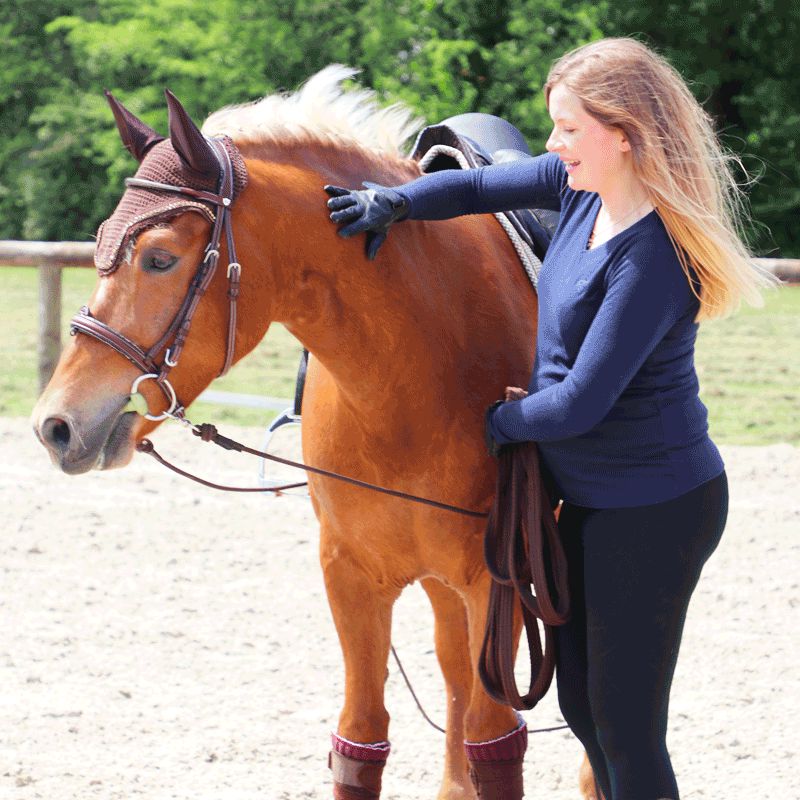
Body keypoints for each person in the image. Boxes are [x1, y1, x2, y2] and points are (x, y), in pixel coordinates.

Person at [325, 37, 771, 800]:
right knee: (581, 708)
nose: (554, 143)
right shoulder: (578, 191)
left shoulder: (654, 256)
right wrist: (393, 202)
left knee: (625, 729)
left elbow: (579, 402)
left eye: (567, 128)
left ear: (623, 134)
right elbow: (472, 189)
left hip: (655, 510)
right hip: (591, 502)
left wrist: (487, 429)